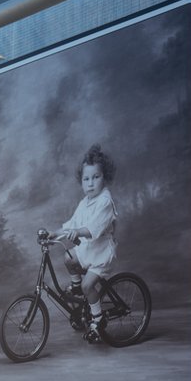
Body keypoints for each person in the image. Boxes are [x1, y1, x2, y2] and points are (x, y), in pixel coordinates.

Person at [51, 145, 117, 342]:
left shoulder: (105, 202)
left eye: (95, 177)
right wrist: (53, 234)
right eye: (86, 179)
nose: (90, 183)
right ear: (81, 181)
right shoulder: (84, 202)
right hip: (88, 249)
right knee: (69, 258)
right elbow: (72, 224)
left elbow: (92, 229)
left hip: (102, 253)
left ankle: (98, 320)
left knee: (89, 285)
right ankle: (76, 287)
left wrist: (76, 232)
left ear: (105, 177)